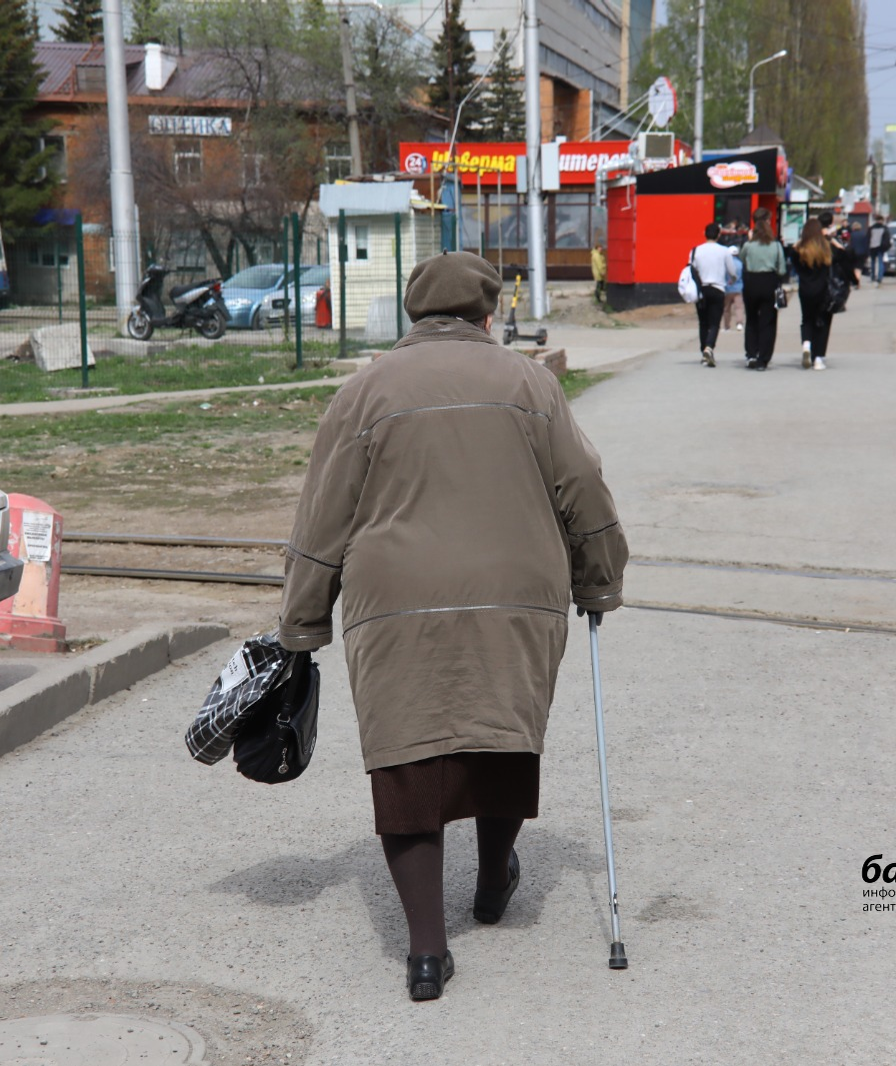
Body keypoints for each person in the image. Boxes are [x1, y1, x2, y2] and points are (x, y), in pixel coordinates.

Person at [278, 251, 630, 1001]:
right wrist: (600, 577)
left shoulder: (364, 391)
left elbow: (324, 512)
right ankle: (495, 881)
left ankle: (427, 952)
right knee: (500, 728)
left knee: (407, 754)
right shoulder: (530, 382)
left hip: (395, 598)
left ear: (413, 313)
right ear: (487, 314)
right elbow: (583, 486)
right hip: (517, 592)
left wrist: (303, 620)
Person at [787, 217, 858, 370]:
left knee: (806, 319)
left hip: (805, 290)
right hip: (823, 290)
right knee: (823, 322)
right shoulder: (826, 249)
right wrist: (831, 239)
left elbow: (791, 253)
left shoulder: (801, 251)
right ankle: (818, 358)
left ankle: (806, 346)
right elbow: (843, 255)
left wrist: (802, 240)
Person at [740, 211, 788, 369]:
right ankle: (763, 358)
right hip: (769, 282)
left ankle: (751, 354)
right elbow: (781, 270)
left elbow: (742, 261)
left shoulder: (748, 245)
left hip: (751, 282)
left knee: (751, 319)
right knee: (768, 321)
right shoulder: (775, 246)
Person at [691, 221, 739, 367]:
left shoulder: (695, 250)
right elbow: (732, 271)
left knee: (703, 322)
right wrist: (733, 279)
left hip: (701, 289)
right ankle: (709, 348)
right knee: (714, 323)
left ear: (704, 234)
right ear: (719, 235)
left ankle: (703, 351)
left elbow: (692, 269)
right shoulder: (724, 251)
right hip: (718, 289)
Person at [719, 220, 746, 331]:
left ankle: (726, 326)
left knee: (726, 308)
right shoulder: (740, 263)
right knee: (739, 307)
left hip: (727, 289)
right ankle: (739, 323)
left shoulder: (726, 263)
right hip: (739, 289)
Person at [868, 215, 891, 286]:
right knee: (881, 262)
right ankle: (880, 277)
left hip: (872, 247)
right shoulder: (884, 228)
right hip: (881, 247)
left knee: (873, 262)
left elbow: (868, 238)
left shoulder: (871, 228)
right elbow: (887, 239)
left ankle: (872, 276)